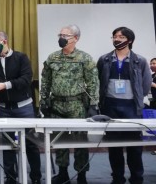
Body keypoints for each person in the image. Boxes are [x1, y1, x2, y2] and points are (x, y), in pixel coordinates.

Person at [0, 31, 42, 184]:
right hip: (4, 109)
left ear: (4, 42)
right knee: (7, 144)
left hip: (24, 108)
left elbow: (26, 79)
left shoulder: (21, 58)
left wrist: (5, 85)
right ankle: (10, 178)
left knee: (31, 144)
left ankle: (36, 177)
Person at [40, 24, 99, 184]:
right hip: (57, 104)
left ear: (76, 38)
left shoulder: (84, 58)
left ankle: (81, 174)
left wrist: (93, 105)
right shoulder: (52, 57)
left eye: (65, 35)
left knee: (80, 141)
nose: (61, 38)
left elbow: (93, 82)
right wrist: (43, 100)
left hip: (77, 104)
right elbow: (46, 81)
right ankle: (63, 172)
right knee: (59, 140)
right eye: (60, 34)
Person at [97, 27, 151, 184]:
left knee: (134, 146)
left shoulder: (139, 60)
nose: (117, 39)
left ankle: (137, 178)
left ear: (130, 40)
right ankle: (117, 178)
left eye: (121, 36)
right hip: (110, 107)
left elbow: (146, 84)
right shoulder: (104, 59)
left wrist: (138, 98)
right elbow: (100, 81)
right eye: (114, 36)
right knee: (114, 146)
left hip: (131, 108)